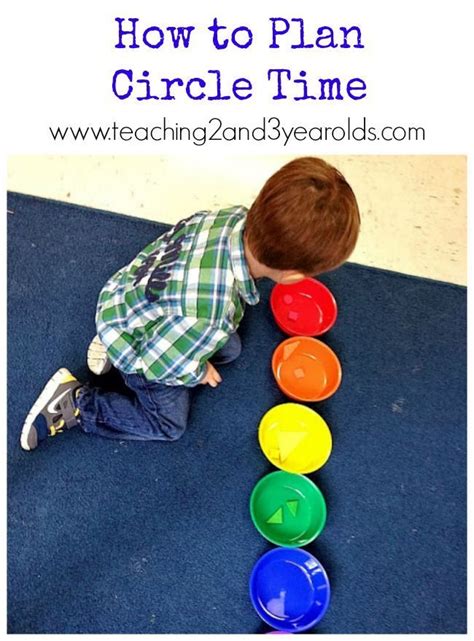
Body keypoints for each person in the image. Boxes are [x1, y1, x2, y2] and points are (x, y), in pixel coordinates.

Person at [20, 156, 360, 450]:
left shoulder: (229, 218)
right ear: (291, 277)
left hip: (126, 298)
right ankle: (79, 404)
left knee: (230, 348)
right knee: (169, 425)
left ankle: (116, 336)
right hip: (148, 349)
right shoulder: (208, 318)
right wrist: (196, 372)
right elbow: (160, 365)